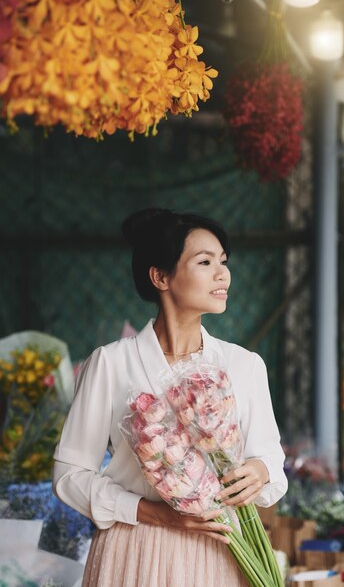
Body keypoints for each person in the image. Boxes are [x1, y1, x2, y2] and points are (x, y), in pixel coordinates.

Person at [53, 208, 288, 587]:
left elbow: (271, 459)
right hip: (133, 552)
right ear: (160, 276)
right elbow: (69, 476)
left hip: (221, 552)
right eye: (205, 261)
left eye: (224, 262)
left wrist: (260, 471)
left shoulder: (244, 365)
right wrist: (153, 513)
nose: (222, 273)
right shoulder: (111, 363)